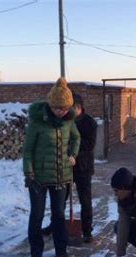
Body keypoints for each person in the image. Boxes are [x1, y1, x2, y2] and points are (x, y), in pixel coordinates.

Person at [22, 77, 81, 257]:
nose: (62, 112)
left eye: (65, 108)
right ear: (50, 104)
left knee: (58, 215)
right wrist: (29, 174)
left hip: (61, 176)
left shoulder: (68, 121)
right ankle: (36, 253)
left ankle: (61, 251)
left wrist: (73, 153)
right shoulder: (37, 122)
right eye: (58, 108)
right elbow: (28, 150)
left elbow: (76, 138)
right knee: (37, 215)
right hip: (38, 178)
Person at [42, 93, 98, 243]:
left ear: (78, 107)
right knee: (60, 199)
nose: (66, 111)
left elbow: (89, 144)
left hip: (83, 167)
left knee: (85, 199)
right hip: (65, 167)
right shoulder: (64, 121)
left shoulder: (89, 123)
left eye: (69, 108)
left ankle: (87, 230)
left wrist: (70, 148)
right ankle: (54, 226)